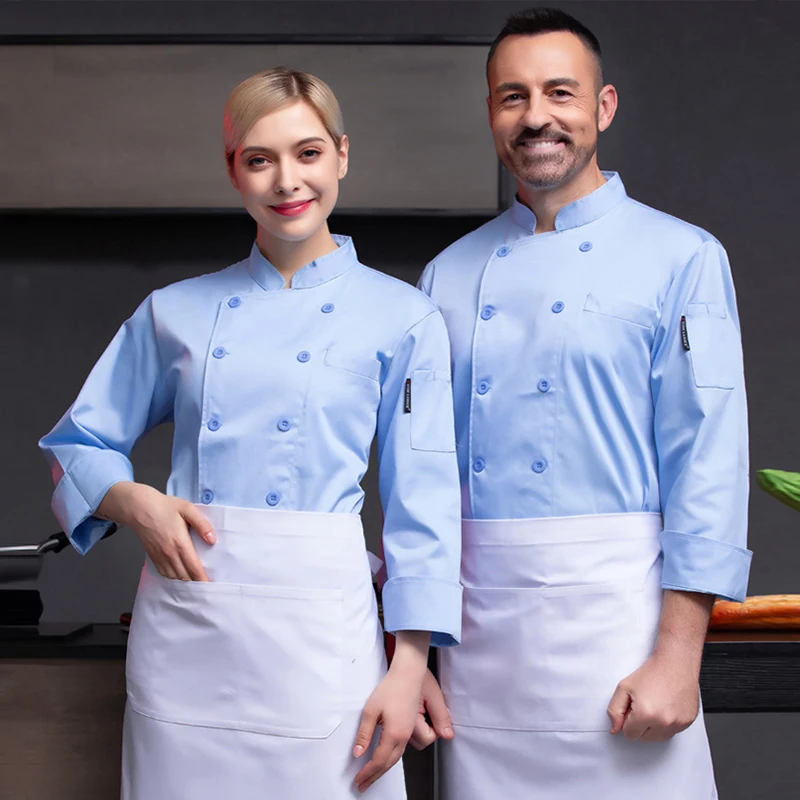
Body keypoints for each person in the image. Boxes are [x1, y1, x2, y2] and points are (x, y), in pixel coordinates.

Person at [38, 67, 462, 799]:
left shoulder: (403, 318)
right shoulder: (175, 311)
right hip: (189, 637)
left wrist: (409, 664)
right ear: (233, 169)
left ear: (342, 155)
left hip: (324, 644)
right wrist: (137, 503)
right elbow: (76, 445)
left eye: (307, 153)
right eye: (259, 159)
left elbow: (422, 500)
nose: (286, 181)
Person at [413, 8, 751, 799]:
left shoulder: (684, 258)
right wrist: (413, 653)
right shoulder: (445, 276)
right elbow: (419, 486)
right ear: (492, 115)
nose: (537, 117)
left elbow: (708, 458)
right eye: (513, 97)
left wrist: (679, 659)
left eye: (559, 93)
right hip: (480, 657)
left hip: (623, 639)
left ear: (602, 108)